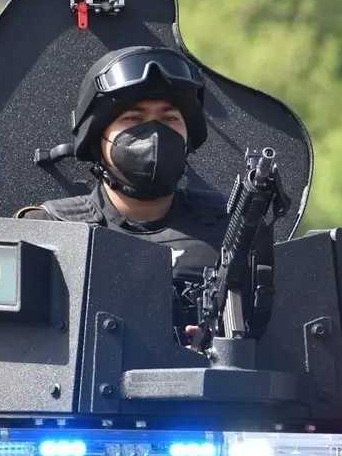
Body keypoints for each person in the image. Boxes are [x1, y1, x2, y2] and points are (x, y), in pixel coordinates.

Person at [16, 45, 273, 344]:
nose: (154, 135)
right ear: (98, 136)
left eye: (169, 119)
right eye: (134, 120)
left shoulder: (234, 229)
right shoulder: (52, 229)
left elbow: (272, 344)